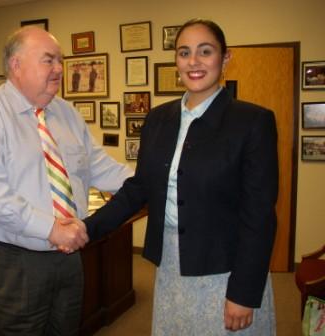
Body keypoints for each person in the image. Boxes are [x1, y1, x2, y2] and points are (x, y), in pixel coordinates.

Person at [76, 18, 279, 335]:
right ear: (176, 62)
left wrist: (244, 292)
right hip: (172, 264)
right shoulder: (159, 119)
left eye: (205, 51)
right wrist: (86, 229)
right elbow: (139, 189)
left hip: (226, 269)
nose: (194, 62)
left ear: (225, 58)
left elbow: (259, 215)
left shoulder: (252, 122)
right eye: (184, 53)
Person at [0, 26, 132, 336]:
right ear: (16, 65)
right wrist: (51, 229)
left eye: (60, 61)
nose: (59, 69)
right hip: (14, 262)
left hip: (68, 257)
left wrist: (154, 181)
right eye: (49, 60)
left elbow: (100, 167)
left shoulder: (66, 113)